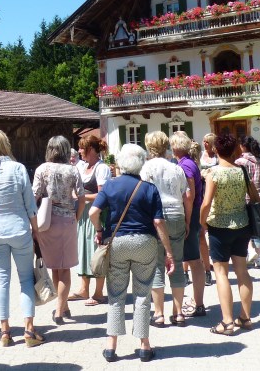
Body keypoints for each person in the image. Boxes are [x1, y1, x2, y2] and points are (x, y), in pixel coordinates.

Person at [89, 144, 175, 362]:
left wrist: (100, 230)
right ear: (141, 163)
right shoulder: (149, 188)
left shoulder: (110, 185)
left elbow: (93, 212)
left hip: (117, 241)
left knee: (116, 295)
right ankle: (144, 345)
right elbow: (158, 222)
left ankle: (111, 345)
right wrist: (169, 252)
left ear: (120, 162)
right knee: (142, 294)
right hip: (145, 242)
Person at [0, 130, 43, 347]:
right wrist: (36, 231)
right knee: (25, 279)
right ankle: (29, 330)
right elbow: (30, 205)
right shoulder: (18, 169)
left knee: (1, 280)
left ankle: (4, 330)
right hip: (19, 228)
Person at [200, 133, 255, 336]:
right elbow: (255, 196)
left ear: (216, 150)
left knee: (221, 274)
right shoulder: (242, 171)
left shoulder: (214, 173)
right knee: (242, 272)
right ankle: (246, 317)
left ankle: (227, 321)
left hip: (219, 226)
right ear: (234, 150)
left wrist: (201, 221)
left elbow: (206, 203)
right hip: (242, 224)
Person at [32, 136, 85, 325]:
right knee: (65, 269)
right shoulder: (72, 170)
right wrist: (76, 217)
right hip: (67, 219)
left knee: (55, 266)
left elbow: (34, 195)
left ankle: (62, 307)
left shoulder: (42, 169)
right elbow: (81, 196)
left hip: (46, 221)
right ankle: (60, 311)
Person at [140, 131, 188, 327]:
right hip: (177, 214)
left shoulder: (146, 168)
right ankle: (178, 314)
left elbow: (142, 195)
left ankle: (158, 313)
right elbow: (184, 193)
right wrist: (187, 220)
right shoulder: (176, 168)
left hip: (156, 217)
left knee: (157, 264)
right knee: (176, 262)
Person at [70, 134, 111, 306]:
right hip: (82, 212)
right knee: (84, 249)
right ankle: (84, 288)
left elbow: (103, 195)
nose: (79, 151)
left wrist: (82, 197)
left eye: (82, 148)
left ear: (92, 150)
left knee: (97, 251)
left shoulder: (102, 168)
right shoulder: (82, 166)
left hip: (96, 213)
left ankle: (99, 292)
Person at [172, 132, 208, 317]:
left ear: (175, 147)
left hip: (190, 215)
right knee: (193, 260)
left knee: (193, 261)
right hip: (193, 215)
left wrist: (187, 220)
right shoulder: (189, 163)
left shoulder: (184, 165)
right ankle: (198, 303)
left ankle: (198, 304)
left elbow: (189, 194)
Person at [236, 136, 260, 269]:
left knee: (245, 227)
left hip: (244, 198)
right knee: (257, 227)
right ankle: (258, 258)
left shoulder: (240, 162)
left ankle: (250, 252)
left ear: (243, 146)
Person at [198, 134, 218, 286]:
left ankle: (212, 258)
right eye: (203, 141)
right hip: (203, 189)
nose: (204, 144)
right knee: (202, 227)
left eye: (207, 142)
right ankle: (205, 260)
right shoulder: (201, 155)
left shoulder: (217, 155)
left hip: (215, 190)